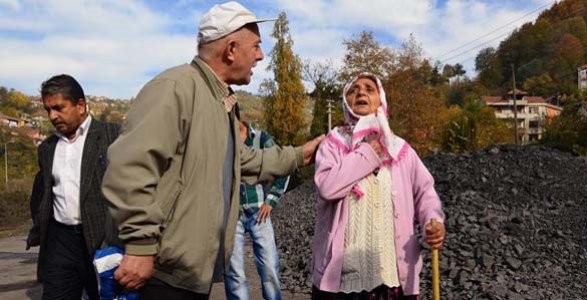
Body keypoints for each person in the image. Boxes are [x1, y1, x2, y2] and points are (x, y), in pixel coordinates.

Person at [101, 2, 324, 299]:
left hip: (187, 274)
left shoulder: (220, 104)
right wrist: (140, 244)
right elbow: (129, 166)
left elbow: (242, 161)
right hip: (159, 273)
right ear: (231, 49)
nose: (261, 55)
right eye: (256, 46)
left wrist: (298, 156)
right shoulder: (175, 88)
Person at [311, 73, 446, 299]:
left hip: (391, 281)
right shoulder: (332, 145)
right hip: (343, 284)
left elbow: (425, 192)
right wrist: (365, 154)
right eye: (353, 90)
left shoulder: (400, 149)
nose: (361, 92)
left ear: (380, 100)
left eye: (369, 89)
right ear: (346, 102)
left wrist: (433, 220)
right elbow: (327, 187)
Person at [26, 74, 120, 300]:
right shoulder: (47, 148)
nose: (52, 116)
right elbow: (42, 192)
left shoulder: (112, 136)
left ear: (80, 105)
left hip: (102, 239)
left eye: (58, 108)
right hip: (61, 242)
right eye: (48, 110)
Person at [225, 121, 290, 300]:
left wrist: (271, 200)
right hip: (232, 215)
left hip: (259, 212)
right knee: (235, 274)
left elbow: (282, 165)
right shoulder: (222, 141)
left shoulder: (261, 139)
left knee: (269, 267)